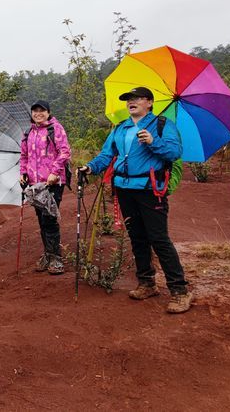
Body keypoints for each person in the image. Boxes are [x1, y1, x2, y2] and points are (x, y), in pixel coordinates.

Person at [80, 86, 192, 314]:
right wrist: (90, 167)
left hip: (151, 189)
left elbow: (174, 153)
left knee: (159, 239)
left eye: (137, 98)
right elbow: (107, 154)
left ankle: (180, 291)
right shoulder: (121, 128)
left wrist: (153, 141)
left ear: (149, 102)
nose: (131, 102)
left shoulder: (162, 125)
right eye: (128, 99)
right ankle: (147, 283)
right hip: (124, 189)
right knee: (137, 237)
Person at [20, 100, 72, 274]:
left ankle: (56, 258)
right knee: (41, 219)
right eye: (35, 111)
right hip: (35, 184)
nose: (38, 113)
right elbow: (24, 155)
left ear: (49, 112)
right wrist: (23, 173)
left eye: (42, 111)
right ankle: (48, 254)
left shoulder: (55, 129)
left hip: (52, 183)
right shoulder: (28, 132)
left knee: (49, 219)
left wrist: (55, 172)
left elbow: (65, 152)